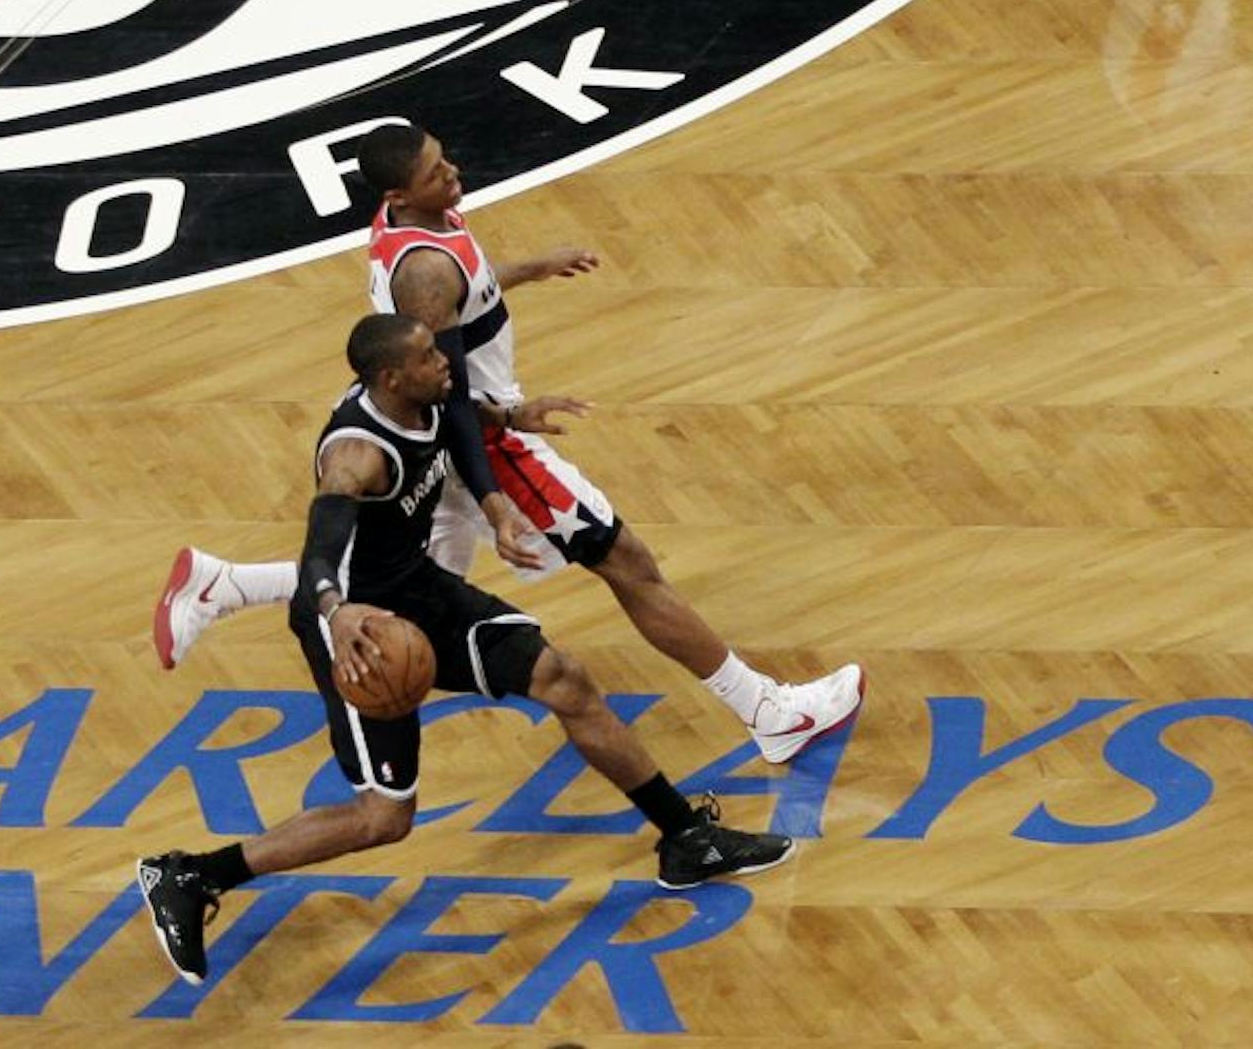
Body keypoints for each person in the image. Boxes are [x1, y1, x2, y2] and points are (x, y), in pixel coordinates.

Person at [154, 121, 863, 767]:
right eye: (437, 172)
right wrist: (498, 474)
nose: (453, 172)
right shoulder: (426, 273)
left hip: (458, 429)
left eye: (445, 157)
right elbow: (449, 391)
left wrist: (524, 269)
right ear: (404, 192)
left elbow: (460, 297)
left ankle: (226, 584)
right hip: (483, 441)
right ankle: (767, 710)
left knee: (402, 575)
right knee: (626, 561)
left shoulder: (410, 220)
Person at [137, 314, 796, 985]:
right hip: (364, 634)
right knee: (384, 818)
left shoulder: (422, 394)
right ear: (392, 377)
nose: (444, 361)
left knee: (564, 678)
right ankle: (192, 873)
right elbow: (321, 540)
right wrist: (336, 611)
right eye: (428, 356)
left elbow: (458, 417)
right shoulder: (356, 457)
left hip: (423, 594)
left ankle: (685, 838)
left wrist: (512, 419)